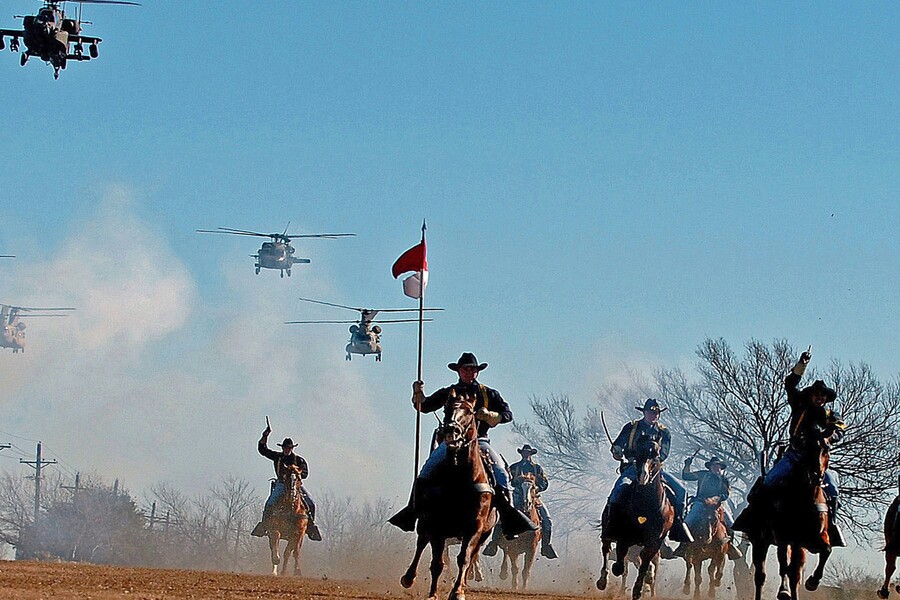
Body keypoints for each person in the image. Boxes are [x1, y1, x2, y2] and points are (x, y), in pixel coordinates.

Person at [389, 352, 537, 539]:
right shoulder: (448, 393)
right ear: (459, 371)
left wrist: (491, 416)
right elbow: (424, 407)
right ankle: (412, 511)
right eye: (465, 369)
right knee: (426, 471)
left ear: (477, 372)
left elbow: (508, 414)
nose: (469, 372)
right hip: (451, 442)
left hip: (480, 441)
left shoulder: (488, 393)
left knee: (501, 473)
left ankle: (510, 521)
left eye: (472, 369)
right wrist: (418, 395)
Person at [733, 349, 846, 545]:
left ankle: (831, 525)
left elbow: (840, 428)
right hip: (794, 456)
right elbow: (790, 383)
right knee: (769, 480)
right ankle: (753, 521)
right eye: (816, 395)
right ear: (811, 395)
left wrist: (829, 439)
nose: (819, 398)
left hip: (816, 460)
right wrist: (802, 364)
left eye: (822, 396)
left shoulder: (830, 415)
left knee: (833, 489)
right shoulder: (799, 404)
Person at [602, 398, 692, 543]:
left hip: (655, 469)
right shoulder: (631, 427)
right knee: (618, 489)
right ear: (644, 413)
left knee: (682, 491)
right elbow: (618, 444)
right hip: (633, 467)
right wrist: (617, 450)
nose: (653, 415)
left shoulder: (664, 432)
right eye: (651, 412)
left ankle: (678, 526)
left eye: (656, 413)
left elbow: (664, 454)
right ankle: (611, 525)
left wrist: (652, 462)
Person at [250, 424, 322, 541]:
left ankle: (310, 527)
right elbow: (262, 450)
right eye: (285, 448)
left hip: (296, 485)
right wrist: (265, 435)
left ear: (292, 448)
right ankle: (264, 525)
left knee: (311, 503)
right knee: (269, 503)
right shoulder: (277, 457)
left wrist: (298, 475)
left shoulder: (299, 460)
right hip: (281, 484)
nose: (287, 450)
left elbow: (305, 473)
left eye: (289, 448)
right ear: (282, 448)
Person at [490, 444, 558, 559]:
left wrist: (537, 488)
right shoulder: (514, 467)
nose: (526, 454)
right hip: (517, 495)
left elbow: (544, 483)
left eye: (528, 453)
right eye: (524, 452)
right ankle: (494, 543)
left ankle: (546, 546)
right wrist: (510, 475)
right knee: (502, 518)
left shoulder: (537, 468)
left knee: (547, 520)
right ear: (521, 454)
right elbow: (508, 481)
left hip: (533, 496)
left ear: (531, 454)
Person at [675, 456, 742, 559]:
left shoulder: (724, 480)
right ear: (710, 467)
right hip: (700, 503)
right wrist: (687, 465)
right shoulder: (702, 474)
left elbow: (726, 494)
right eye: (714, 466)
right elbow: (686, 476)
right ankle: (683, 546)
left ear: (721, 467)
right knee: (688, 522)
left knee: (731, 524)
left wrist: (716, 499)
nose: (716, 467)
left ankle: (730, 546)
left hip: (717, 505)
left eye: (718, 466)